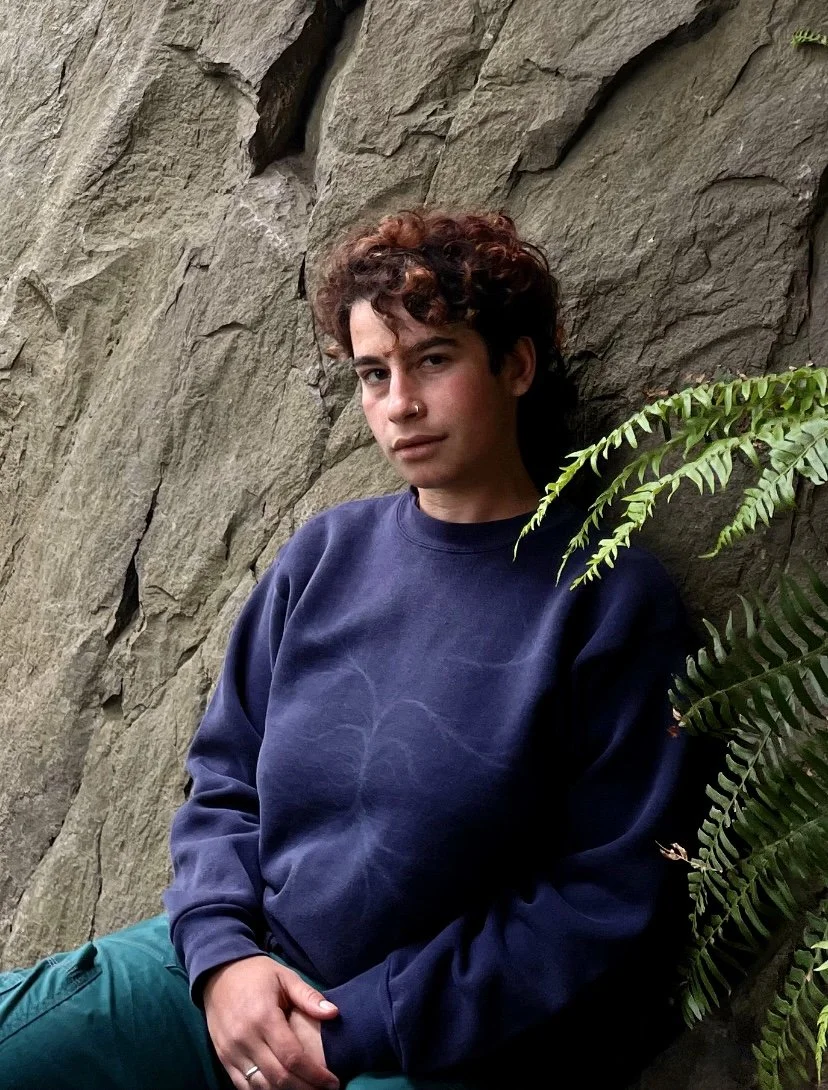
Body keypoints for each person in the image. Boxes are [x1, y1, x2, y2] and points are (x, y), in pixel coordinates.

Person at [0, 209, 695, 1090]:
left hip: (420, 1050)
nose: (399, 402)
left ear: (516, 365)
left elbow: (600, 899)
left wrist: (357, 1030)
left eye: (432, 360)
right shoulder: (324, 556)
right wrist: (222, 958)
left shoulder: (607, 600)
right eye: (374, 373)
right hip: (227, 981)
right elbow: (223, 782)